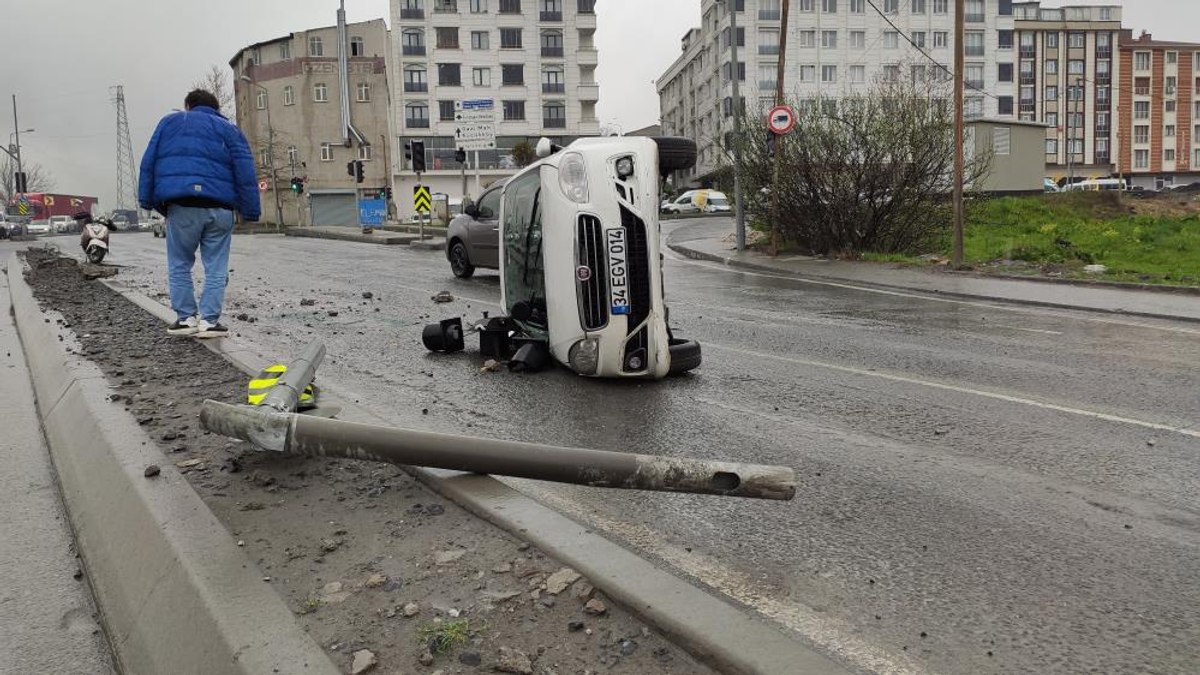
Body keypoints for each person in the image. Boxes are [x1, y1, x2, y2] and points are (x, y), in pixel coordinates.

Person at [138, 89, 259, 338]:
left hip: (181, 205)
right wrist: (250, 211)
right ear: (216, 108)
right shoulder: (230, 130)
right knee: (216, 265)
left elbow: (149, 162)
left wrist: (146, 200)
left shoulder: (169, 123)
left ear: (188, 105)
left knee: (180, 263)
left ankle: (186, 319)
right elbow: (245, 171)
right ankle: (209, 322)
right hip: (220, 206)